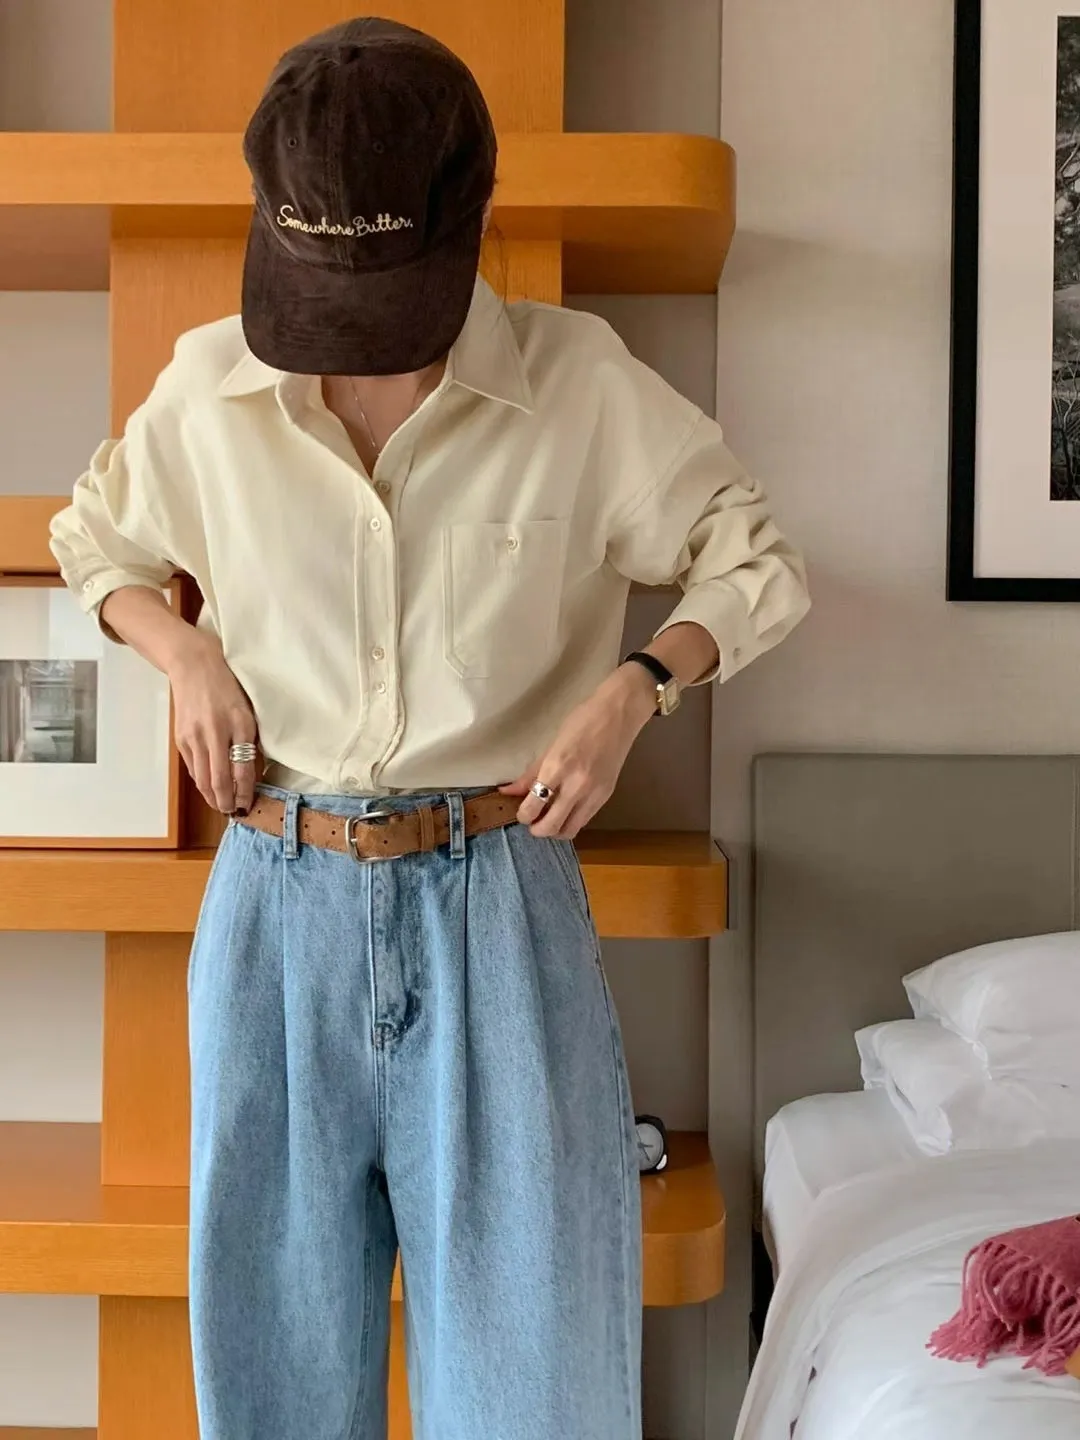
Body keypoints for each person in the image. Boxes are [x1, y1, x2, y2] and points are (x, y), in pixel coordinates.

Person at [49, 17, 809, 1440]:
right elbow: (92, 540)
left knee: (535, 1392)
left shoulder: (579, 383)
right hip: (275, 906)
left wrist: (639, 685)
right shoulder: (208, 387)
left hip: (497, 904)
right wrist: (183, 648)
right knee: (274, 1388)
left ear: (466, 221)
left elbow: (753, 559)